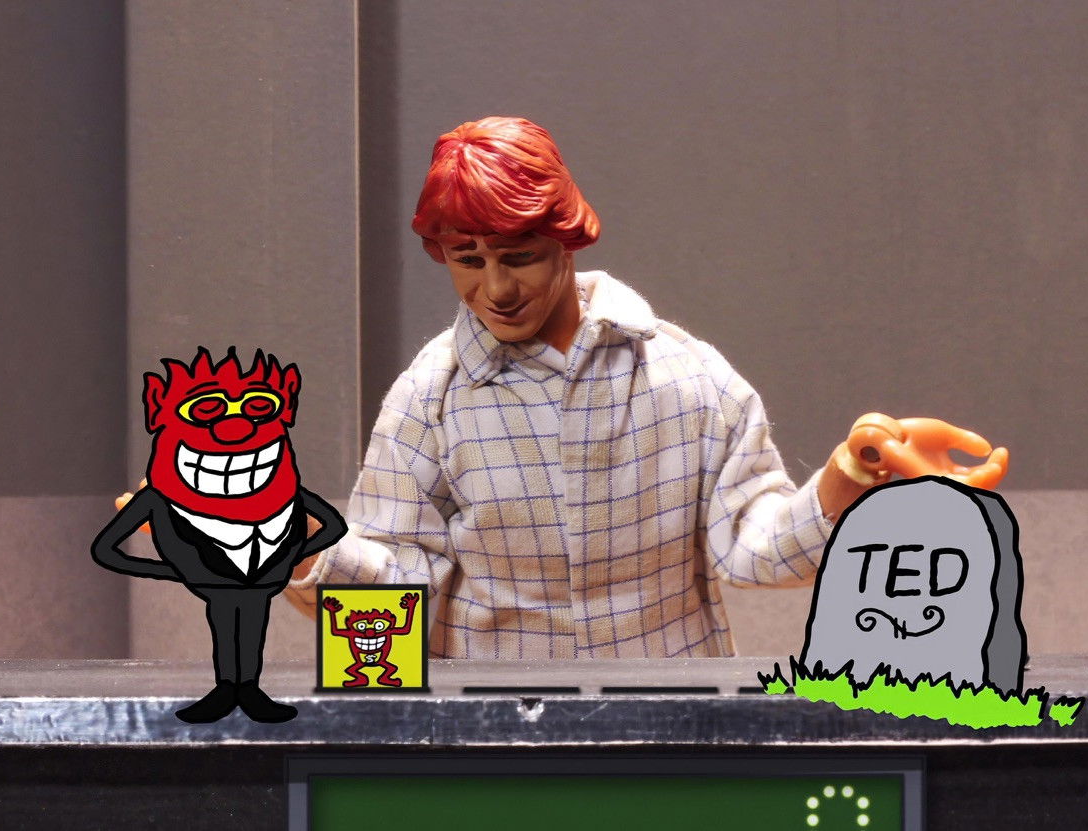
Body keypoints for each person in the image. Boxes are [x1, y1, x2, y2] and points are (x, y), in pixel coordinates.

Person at [277, 116, 1008, 659]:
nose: (495, 289)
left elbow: (754, 546)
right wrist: (293, 541)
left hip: (672, 723)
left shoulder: (686, 377)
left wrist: (854, 477)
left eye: (519, 256)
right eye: (467, 260)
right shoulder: (431, 399)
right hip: (496, 735)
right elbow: (394, 597)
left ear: (565, 239)